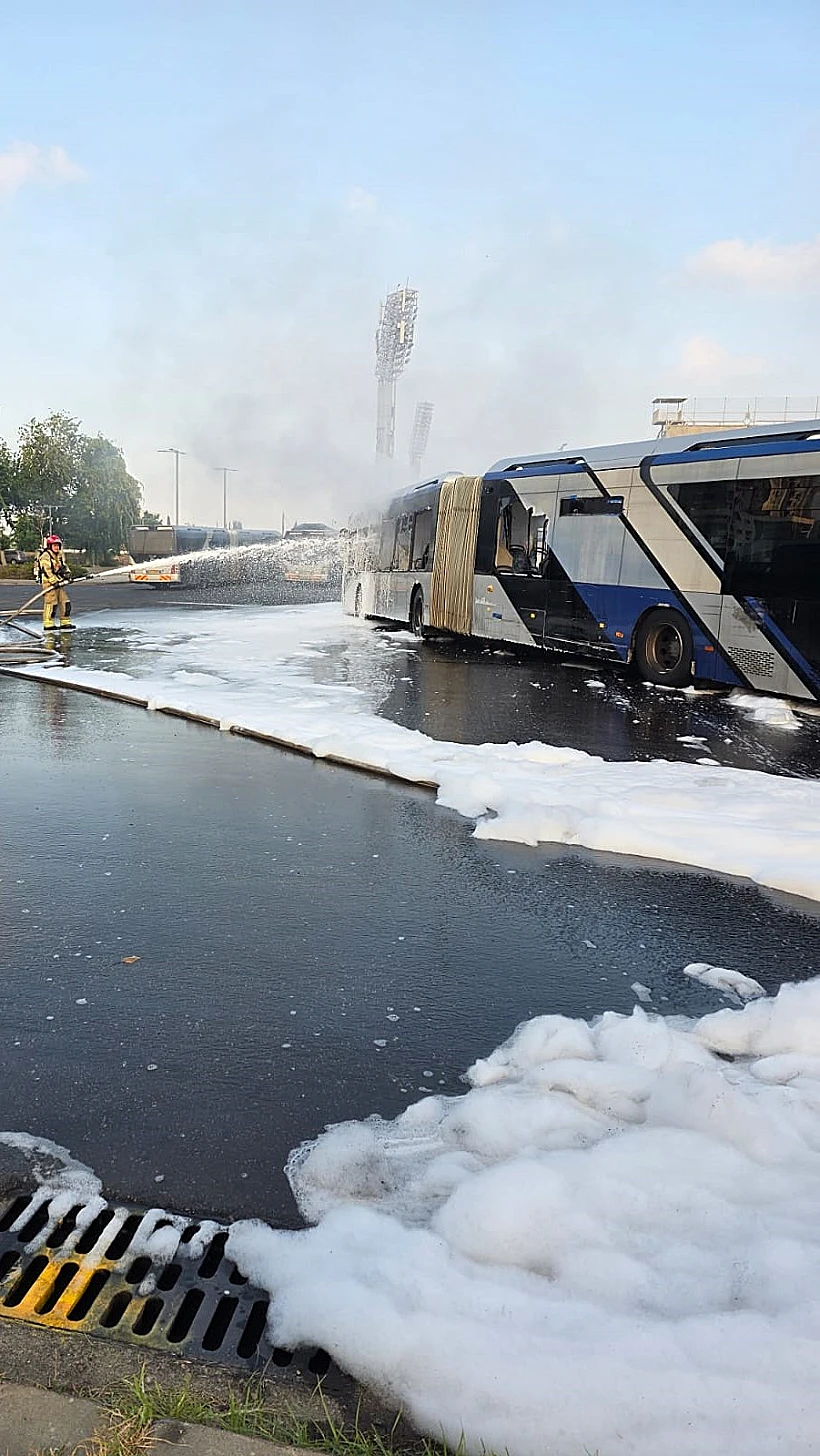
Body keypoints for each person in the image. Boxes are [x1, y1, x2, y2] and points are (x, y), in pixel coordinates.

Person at [35, 535, 74, 631]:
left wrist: (67, 575)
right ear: (50, 546)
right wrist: (54, 581)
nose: (57, 547)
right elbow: (46, 570)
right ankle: (48, 623)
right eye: (54, 545)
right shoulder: (45, 556)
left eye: (58, 545)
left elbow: (63, 567)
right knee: (51, 603)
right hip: (49, 583)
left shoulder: (58, 556)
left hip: (58, 583)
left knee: (65, 602)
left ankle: (65, 622)